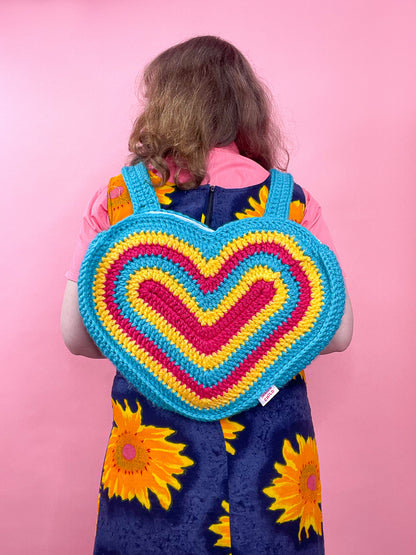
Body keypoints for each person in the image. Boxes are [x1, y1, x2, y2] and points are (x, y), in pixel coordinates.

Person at [61, 35, 353, 555]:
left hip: (154, 457)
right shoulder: (290, 204)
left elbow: (76, 336)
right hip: (271, 461)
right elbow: (338, 333)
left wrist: (156, 337)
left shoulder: (120, 202)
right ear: (247, 109)